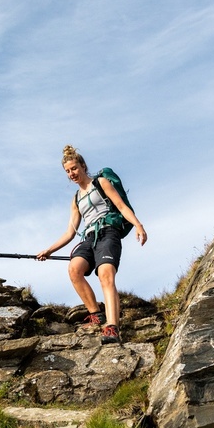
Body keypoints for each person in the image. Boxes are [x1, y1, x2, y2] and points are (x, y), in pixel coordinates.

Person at [37, 145, 147, 344]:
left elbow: (121, 206)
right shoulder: (76, 199)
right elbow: (70, 232)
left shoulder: (100, 182)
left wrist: (138, 225)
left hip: (108, 232)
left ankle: (112, 327)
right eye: (68, 171)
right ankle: (96, 315)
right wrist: (49, 250)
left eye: (74, 168)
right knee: (74, 269)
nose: (72, 173)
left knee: (105, 274)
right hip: (89, 238)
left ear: (83, 166)